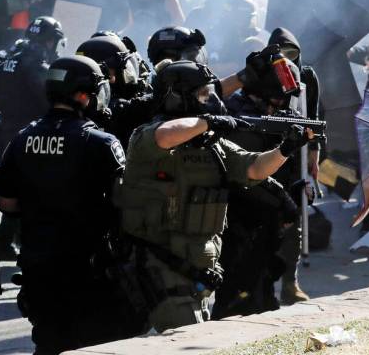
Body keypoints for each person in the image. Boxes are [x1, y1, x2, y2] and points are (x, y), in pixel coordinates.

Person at [115, 59, 313, 332]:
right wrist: (207, 122)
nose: (209, 101)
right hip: (159, 266)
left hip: (199, 267)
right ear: (178, 97)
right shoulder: (147, 136)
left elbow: (254, 168)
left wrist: (286, 148)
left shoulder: (212, 145)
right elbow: (165, 136)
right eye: (202, 95)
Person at [0, 55, 144, 354]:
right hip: (88, 269)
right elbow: (127, 203)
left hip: (38, 266)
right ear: (82, 95)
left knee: (49, 342)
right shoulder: (102, 143)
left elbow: (7, 204)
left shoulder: (22, 138)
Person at [212, 52, 307, 318]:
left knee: (262, 288)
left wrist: (297, 186)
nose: (281, 105)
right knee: (237, 296)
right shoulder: (238, 117)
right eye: (277, 99)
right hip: (241, 220)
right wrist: (283, 200)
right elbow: (248, 174)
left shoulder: (277, 115)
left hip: (268, 222)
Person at [0, 17, 66, 261]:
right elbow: (48, 98)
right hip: (28, 133)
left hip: (5, 130)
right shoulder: (35, 62)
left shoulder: (10, 58)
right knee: (31, 191)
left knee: (17, 188)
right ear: (51, 39)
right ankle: (11, 242)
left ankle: (8, 242)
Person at [267, 27, 322, 304]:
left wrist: (314, 152)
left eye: (292, 54)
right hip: (267, 151)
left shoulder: (307, 75)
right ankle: (261, 285)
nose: (287, 60)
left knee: (295, 217)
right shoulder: (262, 72)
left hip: (296, 156)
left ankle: (291, 281)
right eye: (281, 54)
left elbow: (314, 114)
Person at [75, 34, 154, 148]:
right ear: (102, 72)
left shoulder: (76, 105)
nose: (129, 76)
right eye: (121, 69)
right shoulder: (112, 110)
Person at [184, 0, 259, 64]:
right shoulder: (196, 14)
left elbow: (248, 42)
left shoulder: (238, 13)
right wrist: (211, 20)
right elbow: (186, 41)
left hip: (231, 65)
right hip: (201, 63)